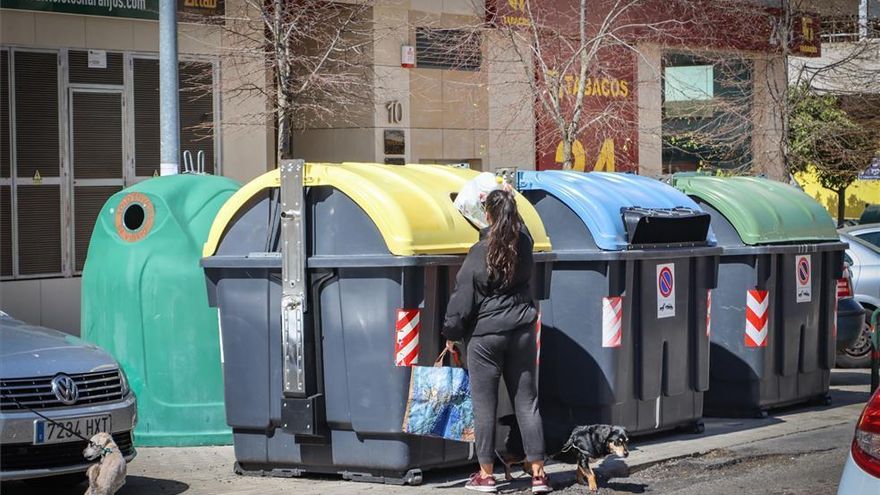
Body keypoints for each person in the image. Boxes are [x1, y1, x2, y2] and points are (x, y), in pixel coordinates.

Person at [442, 187, 550, 494]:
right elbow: (523, 225)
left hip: (485, 337)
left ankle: (486, 475)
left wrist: (451, 334)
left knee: (484, 405)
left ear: (485, 215)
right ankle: (539, 474)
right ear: (514, 213)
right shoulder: (525, 242)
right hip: (523, 332)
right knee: (527, 402)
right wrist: (509, 194)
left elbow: (463, 297)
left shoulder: (481, 251)